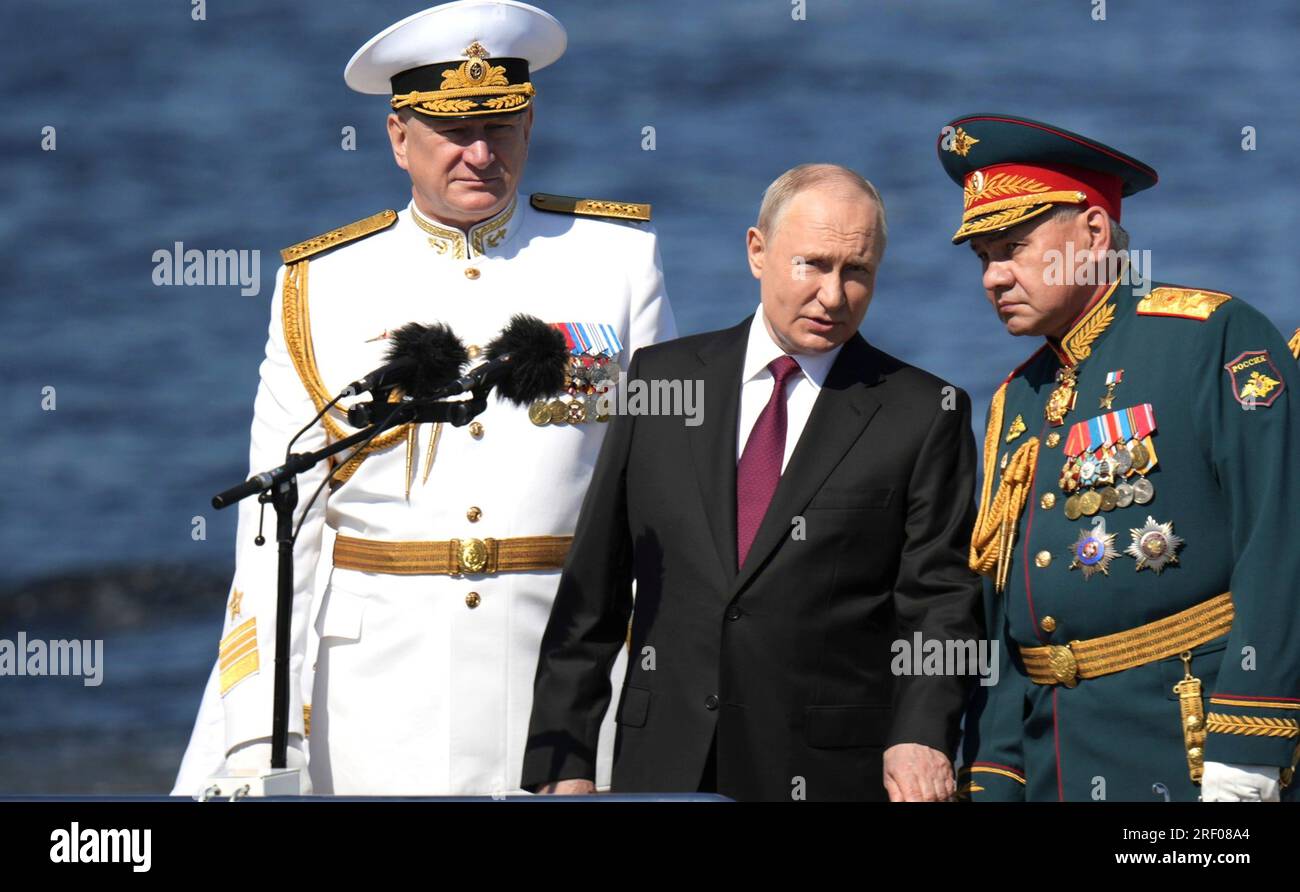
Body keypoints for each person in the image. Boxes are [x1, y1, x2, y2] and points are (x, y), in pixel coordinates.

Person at [172, 0, 676, 796]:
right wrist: (262, 743)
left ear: (531, 124)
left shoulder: (615, 264)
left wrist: (659, 696)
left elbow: (655, 497)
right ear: (399, 138)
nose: (480, 153)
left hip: (565, 692)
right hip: (379, 705)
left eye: (501, 128)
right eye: (453, 132)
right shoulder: (324, 285)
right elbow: (279, 532)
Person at [521, 164, 984, 802]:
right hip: (664, 761)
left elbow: (938, 602)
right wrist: (562, 755)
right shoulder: (660, 380)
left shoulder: (924, 412)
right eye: (812, 265)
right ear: (757, 251)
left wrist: (925, 732)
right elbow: (594, 586)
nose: (833, 294)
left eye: (857, 272)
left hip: (832, 771)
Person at [942, 113, 1300, 802]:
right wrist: (996, 771)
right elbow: (1013, 611)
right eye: (984, 256)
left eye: (1014, 247)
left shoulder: (1208, 338)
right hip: (1055, 768)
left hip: (1188, 753)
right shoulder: (1018, 398)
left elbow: (1279, 541)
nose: (993, 277)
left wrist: (1248, 750)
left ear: (1094, 236)